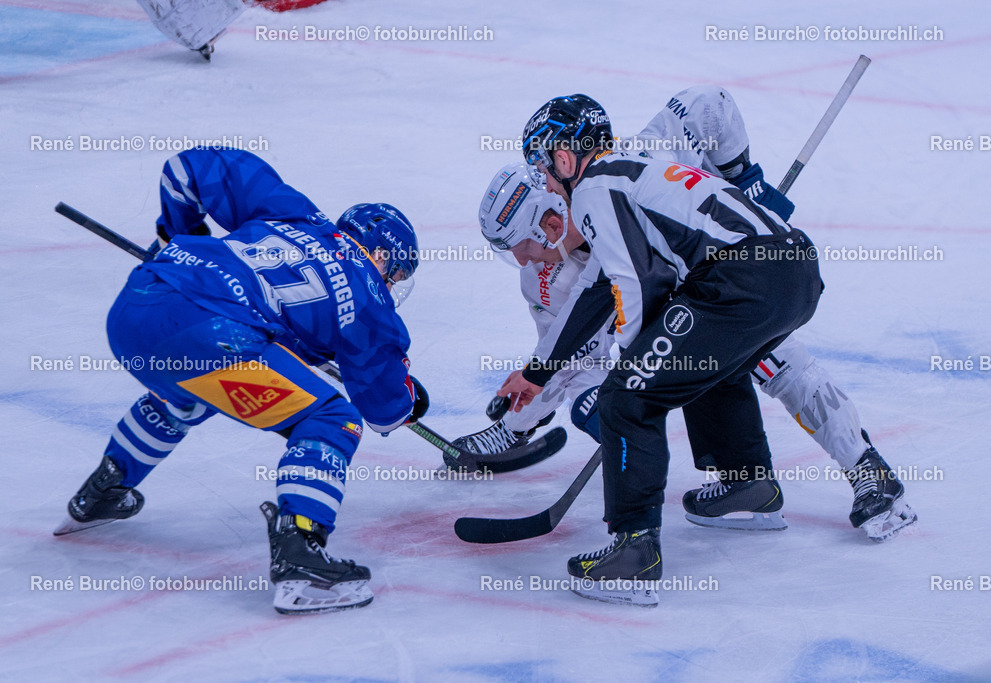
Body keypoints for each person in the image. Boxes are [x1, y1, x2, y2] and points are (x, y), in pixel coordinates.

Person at [464, 86, 916, 546]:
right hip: (713, 297)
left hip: (730, 277)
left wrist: (745, 185)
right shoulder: (549, 278)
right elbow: (567, 362)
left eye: (525, 246)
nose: (527, 263)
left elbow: (709, 103)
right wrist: (511, 429)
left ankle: (864, 468)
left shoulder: (634, 161)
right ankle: (746, 483)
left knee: (780, 364)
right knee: (696, 368)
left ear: (554, 215)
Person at [54, 148, 428, 615]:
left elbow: (185, 170)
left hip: (135, 308)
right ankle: (301, 559)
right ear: (381, 257)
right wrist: (412, 397)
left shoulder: (297, 214)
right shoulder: (371, 298)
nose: (391, 286)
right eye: (396, 275)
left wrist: (180, 235)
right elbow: (385, 410)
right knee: (333, 419)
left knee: (190, 394)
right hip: (216, 339)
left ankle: (105, 489)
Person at [496, 93, 824, 606]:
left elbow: (637, 282)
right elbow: (599, 288)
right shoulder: (638, 165)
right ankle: (748, 484)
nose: (547, 177)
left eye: (542, 162)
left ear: (563, 157)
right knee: (703, 367)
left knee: (626, 400)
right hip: (793, 268)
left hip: (740, 280)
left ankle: (633, 550)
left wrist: (630, 372)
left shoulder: (593, 187)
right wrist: (539, 372)